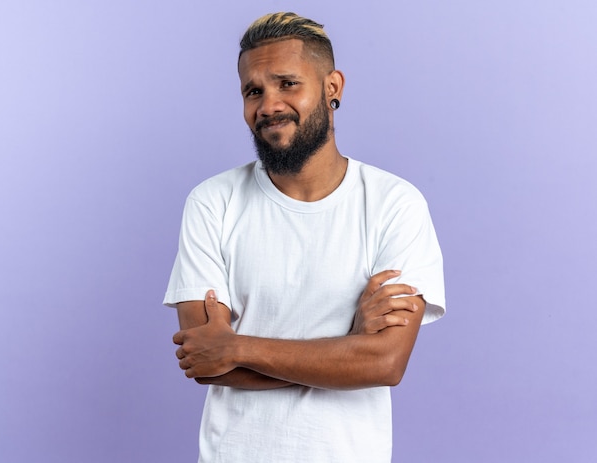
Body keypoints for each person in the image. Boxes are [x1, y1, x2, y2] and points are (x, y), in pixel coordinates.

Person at [164, 12, 445, 463]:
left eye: (287, 83)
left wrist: (238, 347)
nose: (269, 104)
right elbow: (205, 363)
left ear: (332, 88)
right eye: (253, 91)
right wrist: (347, 347)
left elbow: (385, 364)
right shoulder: (212, 201)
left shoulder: (395, 204)